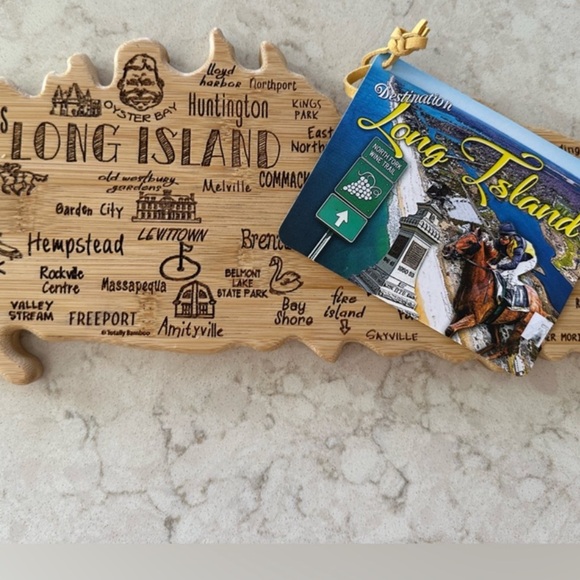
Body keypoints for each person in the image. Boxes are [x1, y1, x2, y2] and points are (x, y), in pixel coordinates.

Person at [488, 222, 537, 290]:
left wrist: (497, 266)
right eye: (501, 237)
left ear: (512, 237)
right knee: (497, 271)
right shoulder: (500, 242)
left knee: (510, 276)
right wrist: (493, 264)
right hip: (512, 257)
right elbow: (497, 254)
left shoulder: (518, 246)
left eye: (505, 238)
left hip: (528, 261)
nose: (502, 240)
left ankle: (523, 289)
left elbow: (514, 265)